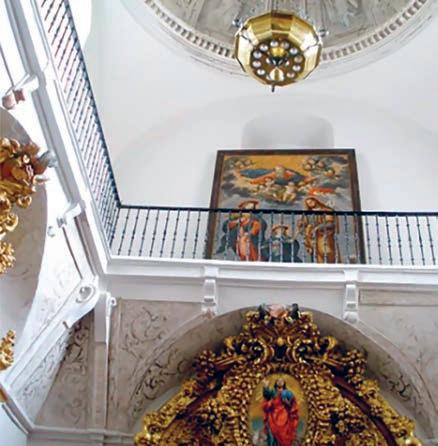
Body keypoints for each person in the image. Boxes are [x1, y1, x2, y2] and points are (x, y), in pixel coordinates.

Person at [298, 197, 339, 263]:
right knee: (314, 252)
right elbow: (303, 224)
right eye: (308, 204)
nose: (310, 204)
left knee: (326, 251)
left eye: (311, 202)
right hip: (311, 236)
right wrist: (301, 224)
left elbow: (330, 223)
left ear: (315, 201)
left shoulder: (326, 210)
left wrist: (318, 228)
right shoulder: (308, 213)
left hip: (323, 235)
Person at [262, 378, 299, 446]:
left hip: (283, 416)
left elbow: (292, 405)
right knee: (272, 435)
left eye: (281, 381)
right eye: (278, 381)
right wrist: (265, 386)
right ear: (276, 383)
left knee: (283, 435)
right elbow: (266, 394)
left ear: (284, 383)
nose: (280, 382)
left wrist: (287, 403)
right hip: (273, 416)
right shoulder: (273, 391)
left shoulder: (287, 393)